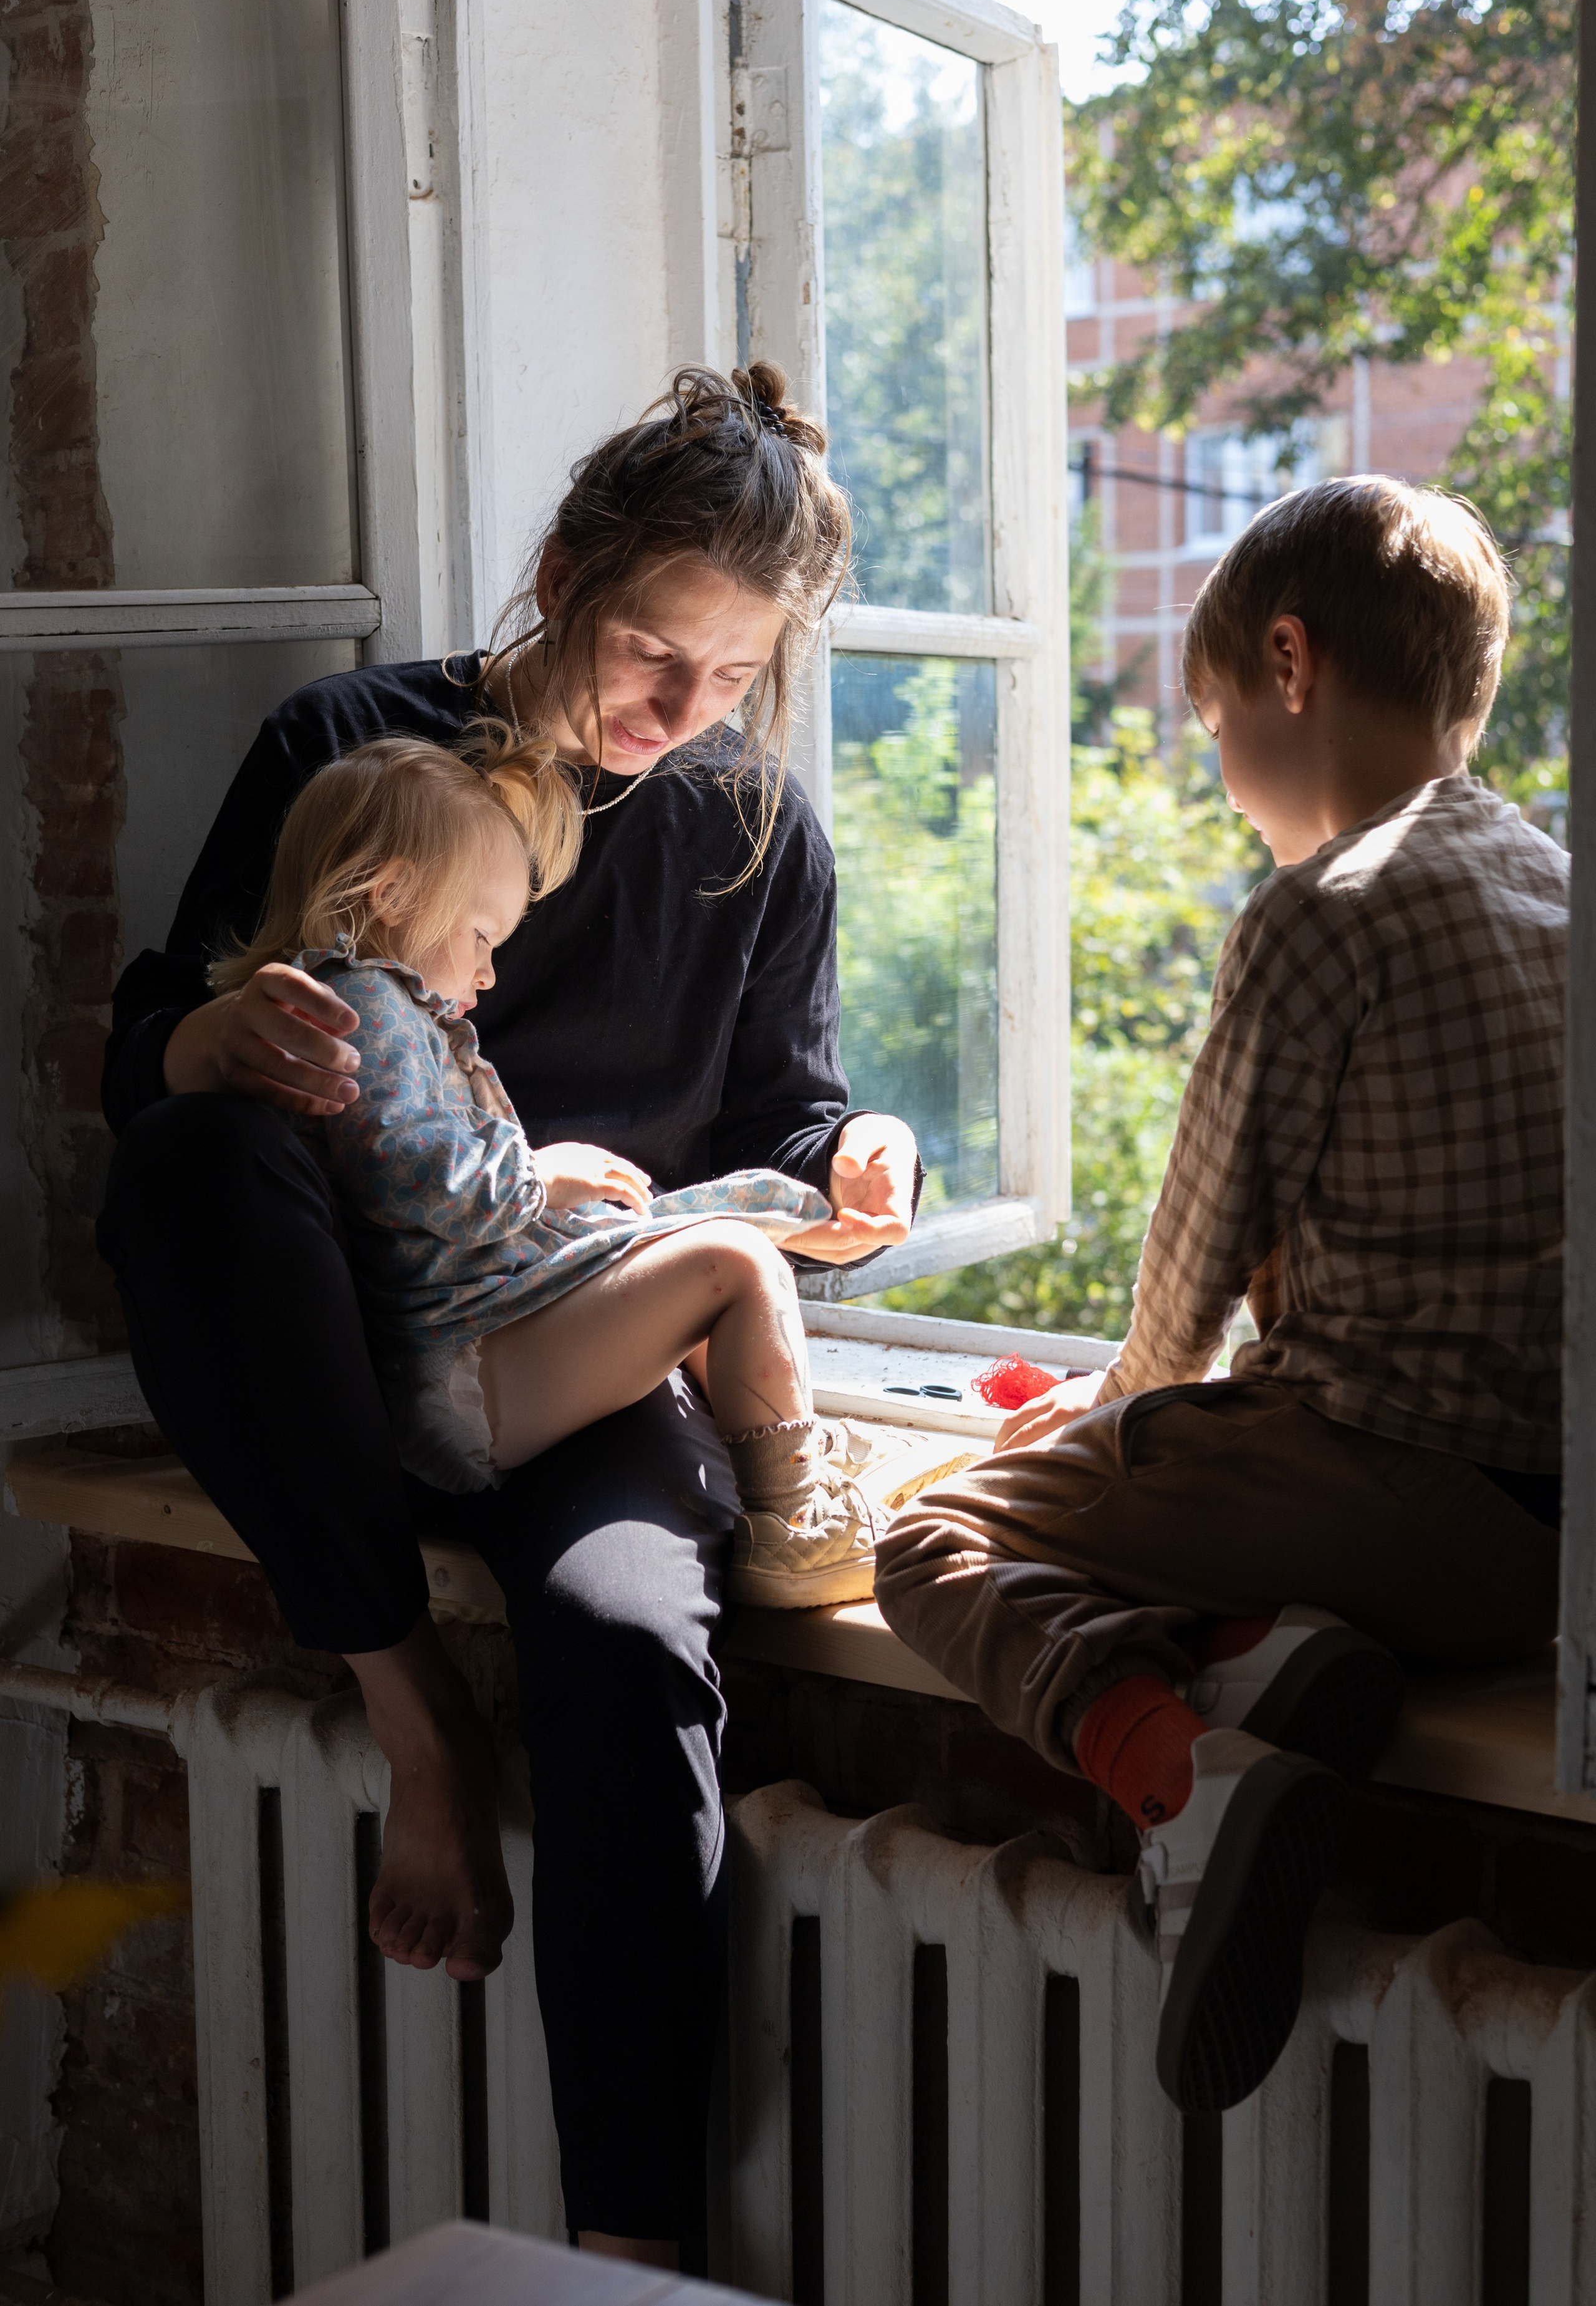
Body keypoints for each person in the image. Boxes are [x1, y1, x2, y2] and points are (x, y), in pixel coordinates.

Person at [97, 364, 920, 2270]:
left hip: (570, 1350)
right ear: (559, 572)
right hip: (323, 1335)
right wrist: (195, 1039)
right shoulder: (355, 747)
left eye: (733, 675)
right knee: (190, 1163)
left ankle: (622, 2258)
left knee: (628, 1647)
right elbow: (154, 1043)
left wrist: (856, 1151)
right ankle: (424, 1739)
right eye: (652, 651)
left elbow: (784, 1127)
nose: (680, 713)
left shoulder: (748, 831)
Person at [875, 477, 1565, 2118]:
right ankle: (1264, 1655)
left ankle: (1183, 1774)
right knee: (1149, 1507)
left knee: (929, 1540)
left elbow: (1193, 1264)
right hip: (1552, 1548)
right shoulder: (1554, 881)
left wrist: (1122, 1408)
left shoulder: (1324, 909)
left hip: (1388, 1487)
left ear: (1287, 660)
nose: (1219, 771)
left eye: (1213, 724)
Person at [210, 723, 887, 1586]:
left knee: (708, 1250)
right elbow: (410, 1175)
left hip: (485, 1343)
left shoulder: (391, 1015)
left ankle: (783, 1452)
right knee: (735, 1265)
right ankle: (795, 1524)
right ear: (392, 894)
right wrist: (541, 1173)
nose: (489, 974)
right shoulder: (365, 1008)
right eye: (483, 936)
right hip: (467, 1367)